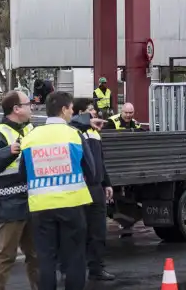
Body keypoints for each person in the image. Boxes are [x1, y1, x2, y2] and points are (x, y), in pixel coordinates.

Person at [20, 91, 97, 290]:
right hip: (72, 205)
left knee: (46, 260)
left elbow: (23, 173)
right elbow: (92, 171)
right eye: (71, 108)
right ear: (63, 110)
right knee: (74, 259)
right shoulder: (74, 135)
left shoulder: (30, 137)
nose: (72, 113)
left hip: (40, 207)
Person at [0, 90, 40, 290]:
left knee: (36, 254)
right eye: (28, 103)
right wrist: (8, 152)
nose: (31, 107)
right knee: (6, 255)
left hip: (32, 201)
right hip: (11, 203)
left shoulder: (30, 128)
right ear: (16, 109)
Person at [69, 99, 114, 281]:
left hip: (96, 187)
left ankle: (97, 268)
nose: (94, 113)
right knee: (78, 231)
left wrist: (106, 183)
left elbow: (100, 162)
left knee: (98, 230)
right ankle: (72, 270)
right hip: (80, 187)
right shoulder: (74, 131)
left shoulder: (95, 133)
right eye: (89, 111)